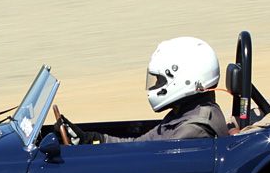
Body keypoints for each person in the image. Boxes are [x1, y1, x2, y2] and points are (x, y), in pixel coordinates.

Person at [64, 37, 229, 144]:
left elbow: (146, 163)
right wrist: (93, 140)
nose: (155, 86)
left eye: (160, 80)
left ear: (186, 78)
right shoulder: (184, 113)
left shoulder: (192, 131)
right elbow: (140, 145)